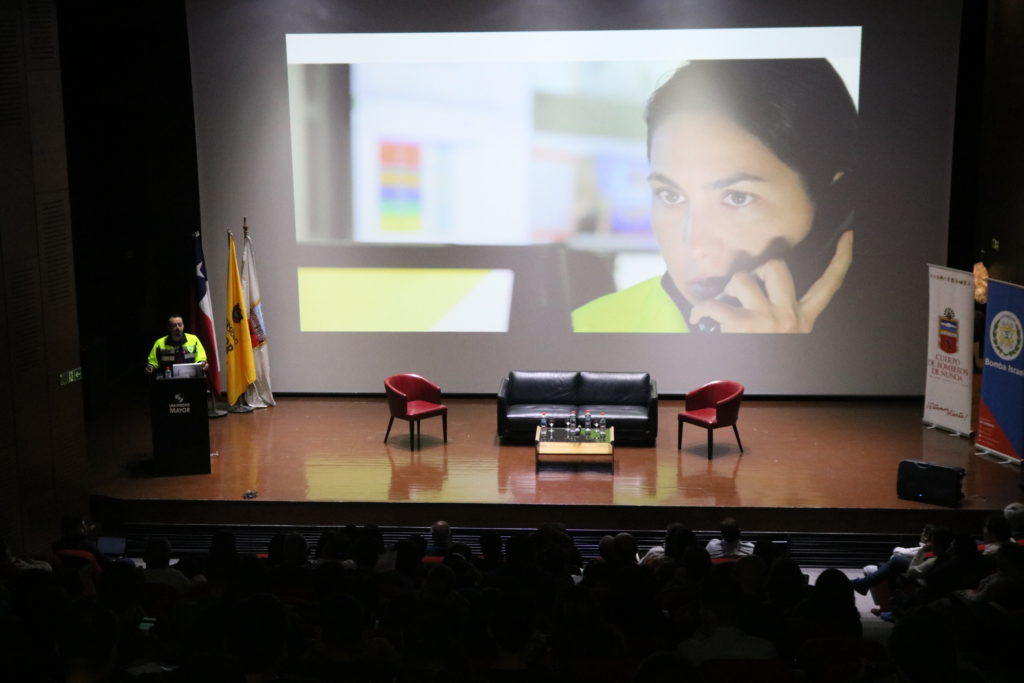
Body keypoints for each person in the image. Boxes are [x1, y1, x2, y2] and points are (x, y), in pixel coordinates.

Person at [573, 58, 858, 332]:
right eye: (670, 195)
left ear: (834, 204)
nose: (694, 243)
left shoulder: (889, 337)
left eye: (737, 198)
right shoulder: (585, 330)